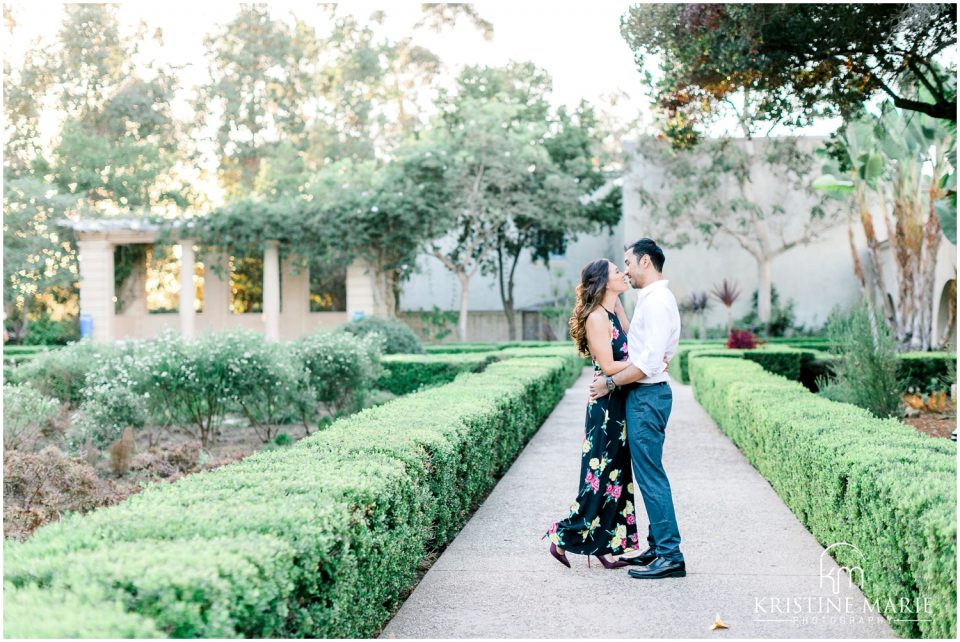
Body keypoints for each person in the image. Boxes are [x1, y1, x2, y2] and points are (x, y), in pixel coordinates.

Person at [587, 238, 685, 579]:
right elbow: (643, 350)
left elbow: (648, 362)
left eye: (628, 262)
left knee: (651, 475)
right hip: (644, 396)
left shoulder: (658, 301)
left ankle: (670, 555)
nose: (625, 269)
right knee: (647, 475)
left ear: (645, 262)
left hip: (647, 397)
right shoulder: (650, 299)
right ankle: (658, 548)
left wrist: (610, 383)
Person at [542, 258, 641, 570]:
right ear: (602, 281)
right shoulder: (597, 318)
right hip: (607, 408)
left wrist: (621, 301)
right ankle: (562, 535)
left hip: (619, 400)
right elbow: (610, 366)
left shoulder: (612, 311)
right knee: (599, 477)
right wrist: (647, 364)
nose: (623, 273)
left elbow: (631, 339)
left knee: (617, 477)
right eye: (616, 271)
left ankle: (605, 545)